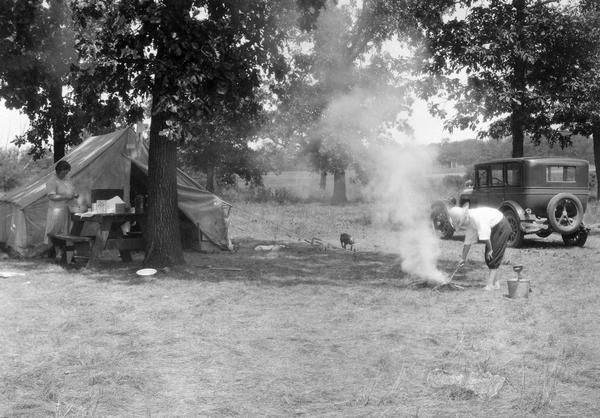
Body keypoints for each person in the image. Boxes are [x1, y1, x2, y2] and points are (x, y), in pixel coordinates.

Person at [448, 204, 512, 290]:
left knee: (493, 255)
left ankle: (490, 285)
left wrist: (490, 249)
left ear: (465, 216)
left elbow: (485, 232)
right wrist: (463, 258)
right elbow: (468, 241)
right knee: (489, 257)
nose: (463, 225)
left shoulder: (476, 217)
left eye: (461, 222)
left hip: (501, 226)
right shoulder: (469, 221)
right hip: (494, 228)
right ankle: (495, 284)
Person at [44, 161, 78, 260]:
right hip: (56, 210)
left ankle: (67, 254)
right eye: (64, 173)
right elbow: (52, 196)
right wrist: (65, 196)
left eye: (67, 172)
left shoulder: (67, 179)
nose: (65, 174)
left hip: (67, 209)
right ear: (58, 171)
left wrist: (74, 194)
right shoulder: (52, 181)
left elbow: (70, 191)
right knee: (56, 232)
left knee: (67, 232)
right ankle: (57, 252)